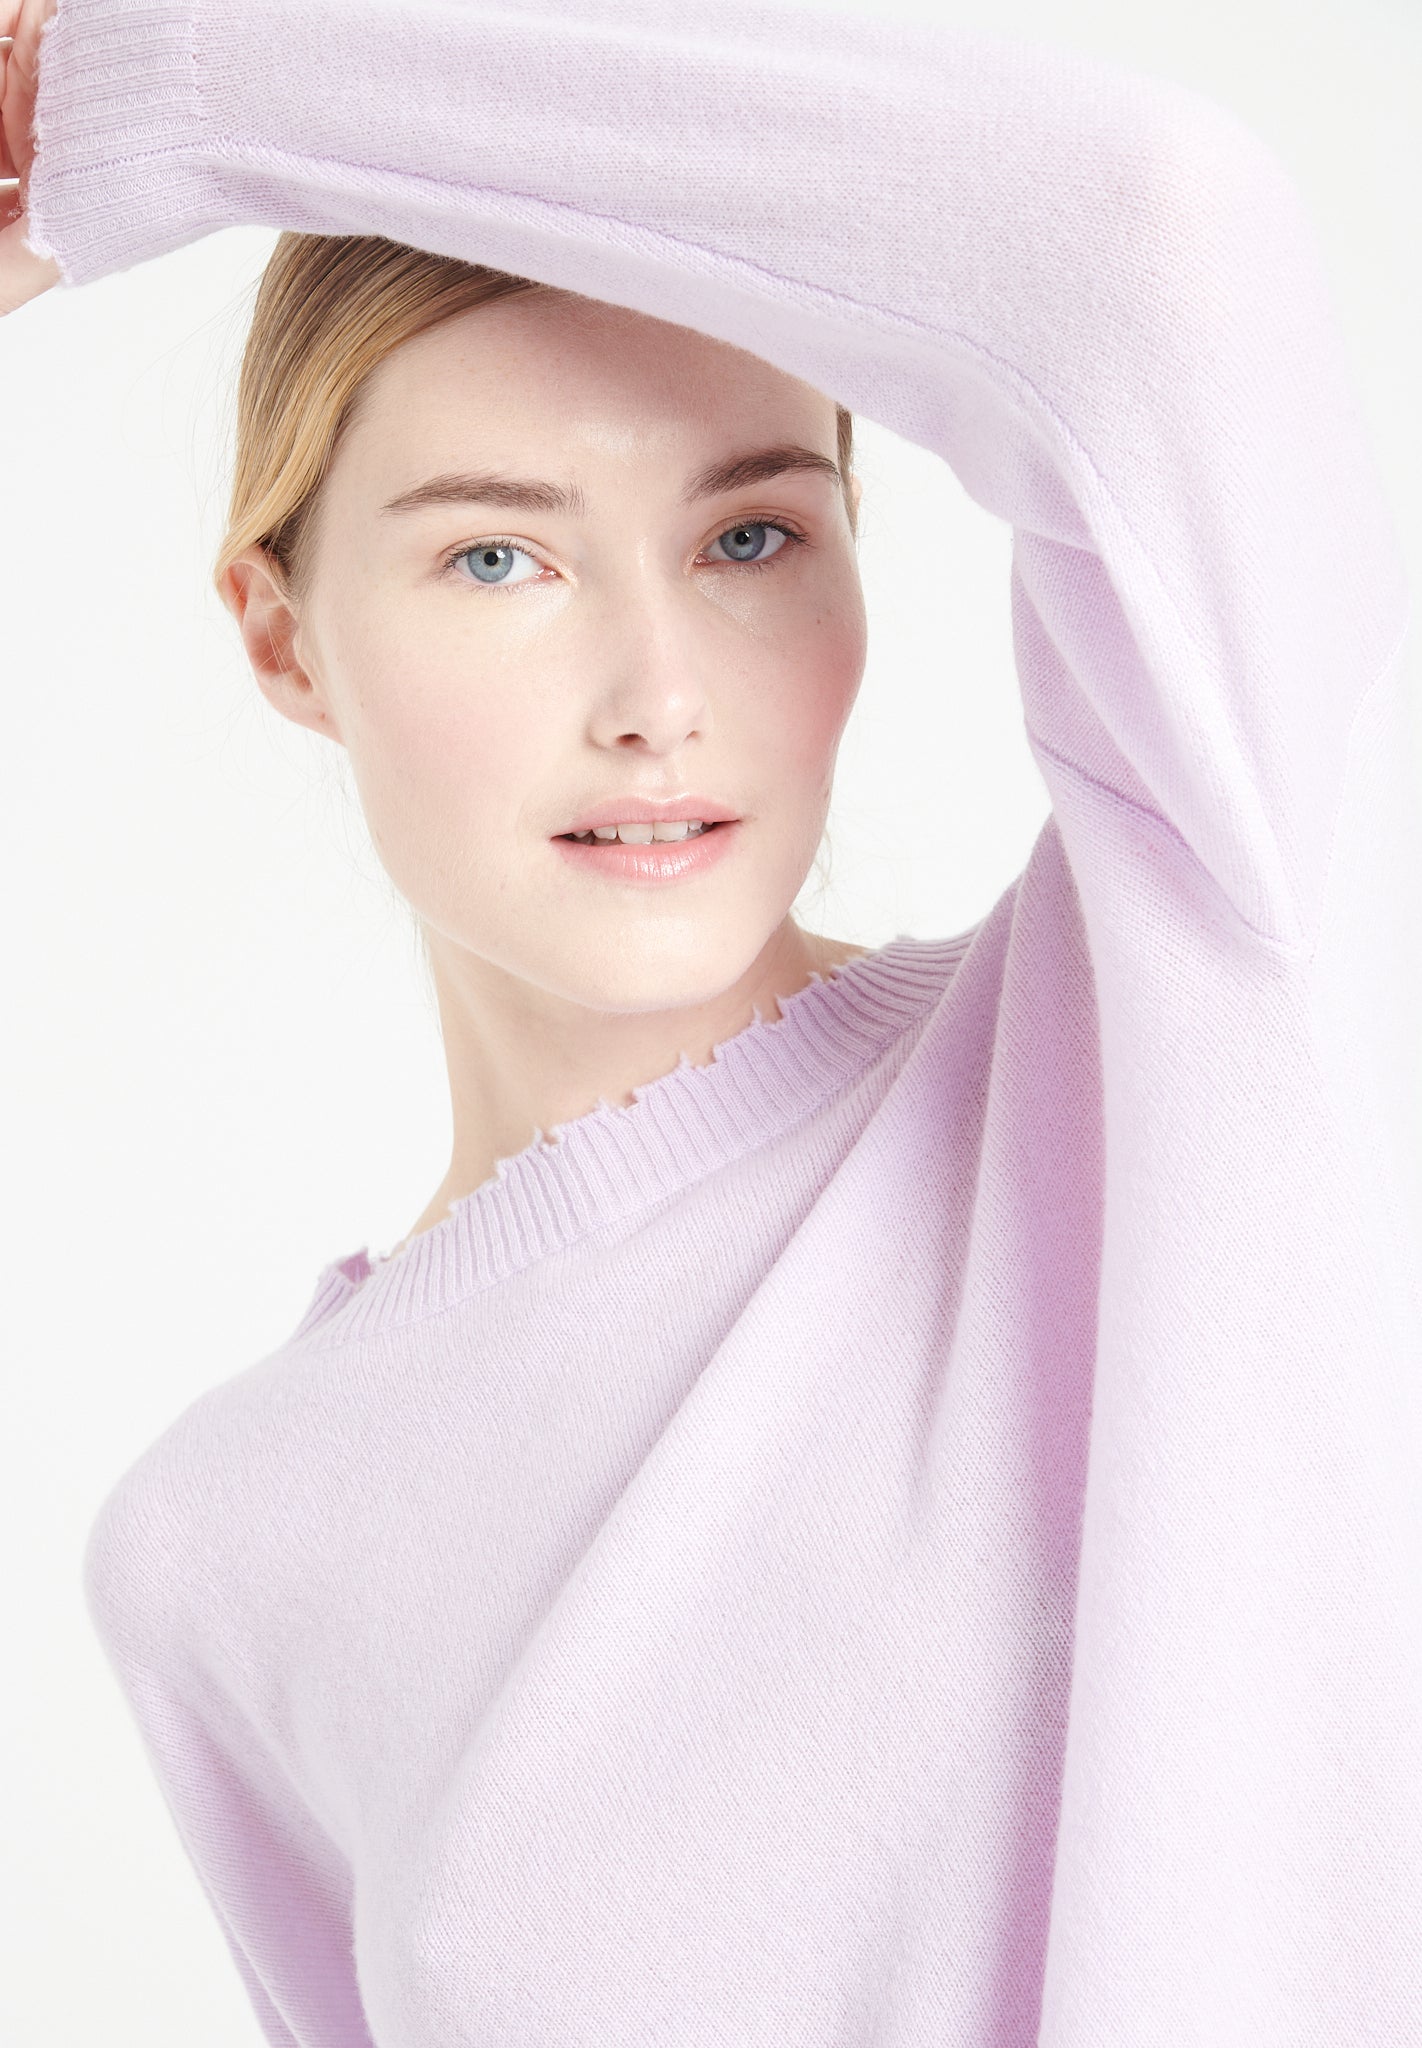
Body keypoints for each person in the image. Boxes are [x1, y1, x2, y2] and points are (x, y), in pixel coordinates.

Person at [4, 1, 1420, 2043]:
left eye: (750, 534)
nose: (657, 694)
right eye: (501, 556)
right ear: (281, 633)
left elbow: (1148, 229)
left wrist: (151, 85)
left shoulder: (1169, 1012)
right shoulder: (218, 1554)